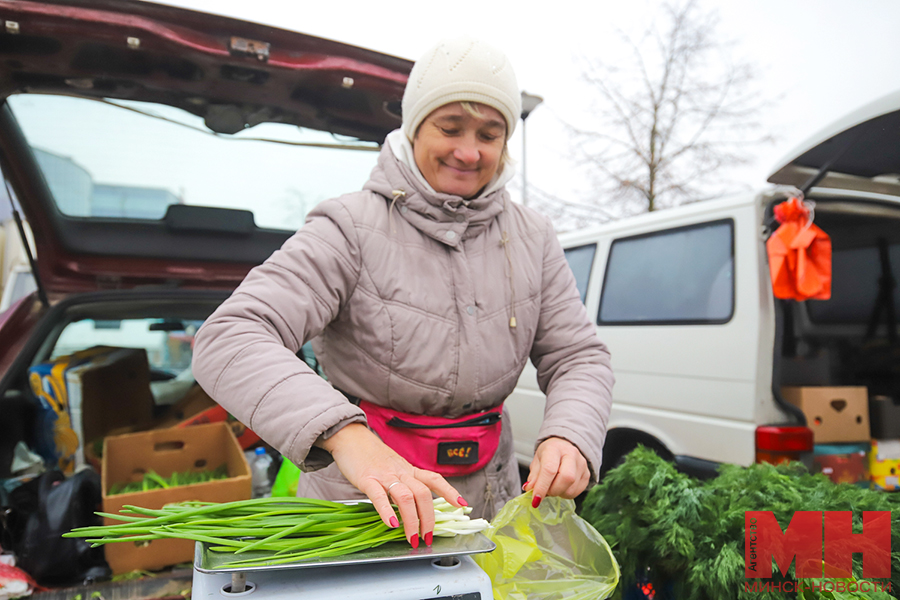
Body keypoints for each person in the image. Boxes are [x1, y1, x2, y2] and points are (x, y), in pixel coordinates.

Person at [192, 36, 613, 550]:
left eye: (490, 132)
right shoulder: (349, 226)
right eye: (450, 127)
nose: (469, 150)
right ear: (414, 128)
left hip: (489, 505)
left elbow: (579, 356)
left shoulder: (533, 236)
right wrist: (348, 439)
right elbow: (231, 338)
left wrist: (571, 433)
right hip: (361, 511)